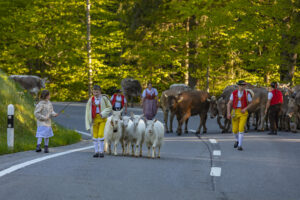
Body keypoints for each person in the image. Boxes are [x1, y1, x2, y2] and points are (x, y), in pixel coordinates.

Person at [85, 85, 112, 158]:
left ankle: (101, 151)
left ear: (100, 91)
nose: (95, 93)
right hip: (94, 119)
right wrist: (89, 118)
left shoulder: (104, 98)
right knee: (95, 135)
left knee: (100, 134)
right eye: (94, 92)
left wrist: (103, 113)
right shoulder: (91, 99)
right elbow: (88, 110)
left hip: (102, 118)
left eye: (97, 92)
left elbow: (109, 107)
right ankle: (96, 151)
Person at [227, 80, 252, 151]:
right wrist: (228, 113)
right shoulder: (234, 93)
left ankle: (240, 145)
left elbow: (251, 103)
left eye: (243, 86)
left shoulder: (247, 94)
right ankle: (237, 140)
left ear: (245, 86)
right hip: (234, 112)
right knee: (234, 130)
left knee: (241, 128)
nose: (241, 87)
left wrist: (245, 108)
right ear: (238, 86)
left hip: (243, 112)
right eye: (240, 85)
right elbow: (229, 104)